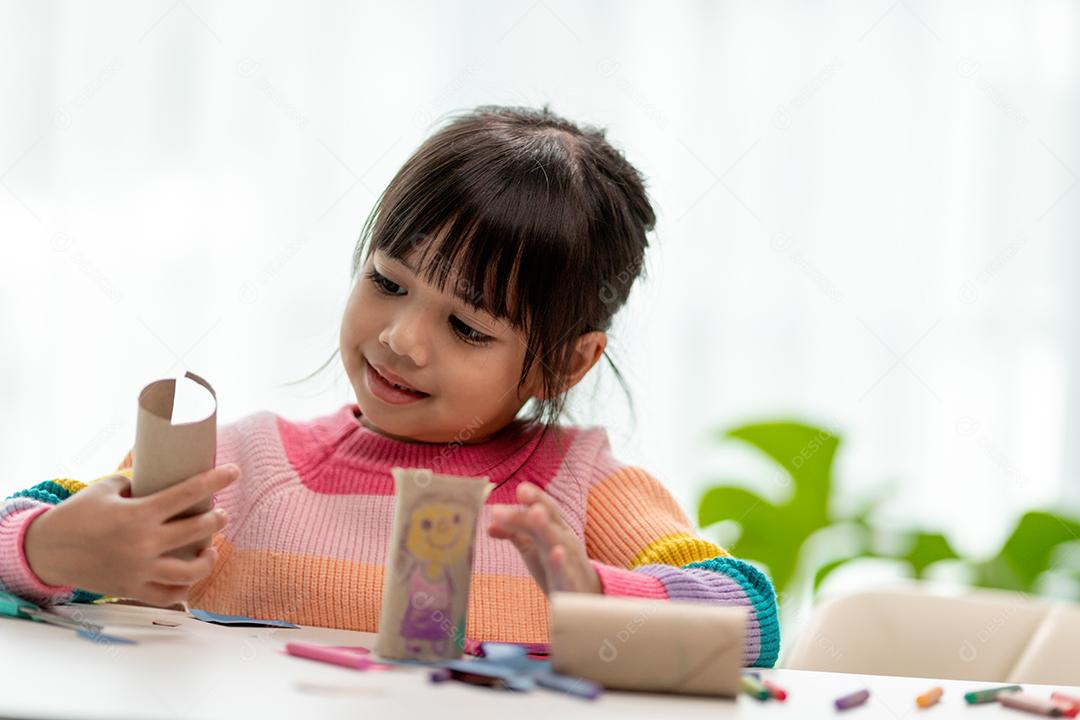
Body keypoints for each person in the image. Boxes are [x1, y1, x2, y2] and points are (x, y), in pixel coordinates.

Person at [0, 105, 779, 667]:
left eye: (468, 328)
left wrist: (598, 599)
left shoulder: (579, 493)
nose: (401, 339)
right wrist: (53, 546)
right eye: (388, 281)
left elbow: (751, 616)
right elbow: (22, 528)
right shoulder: (247, 468)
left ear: (566, 364)